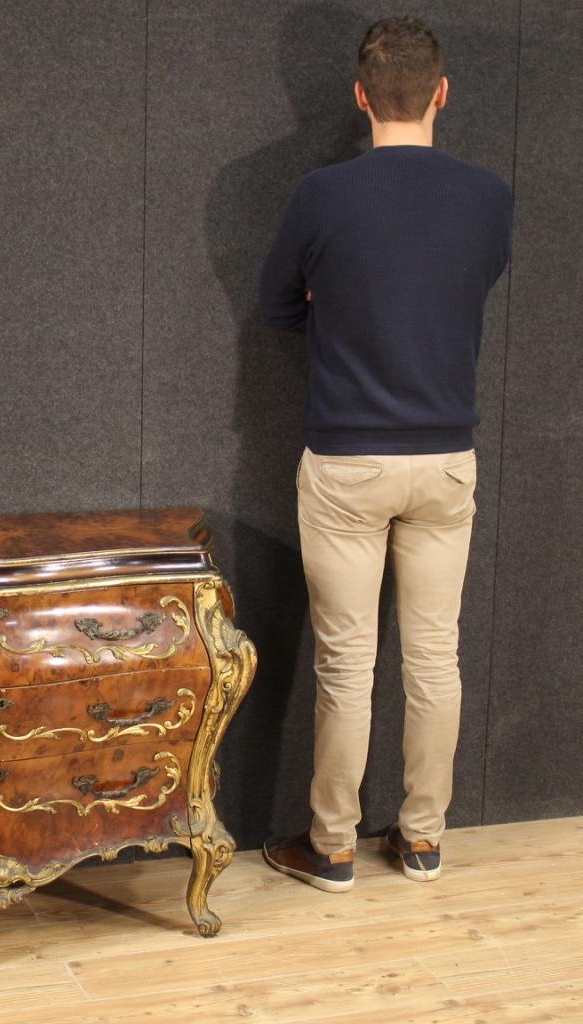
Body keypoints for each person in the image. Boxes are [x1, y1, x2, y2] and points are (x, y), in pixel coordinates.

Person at [258, 14, 513, 892]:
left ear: (362, 97)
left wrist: (338, 304)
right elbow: (469, 284)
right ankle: (424, 840)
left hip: (346, 463)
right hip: (446, 460)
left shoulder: (322, 195)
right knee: (434, 658)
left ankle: (330, 848)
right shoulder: (488, 196)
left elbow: (278, 307)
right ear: (442, 93)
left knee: (346, 662)